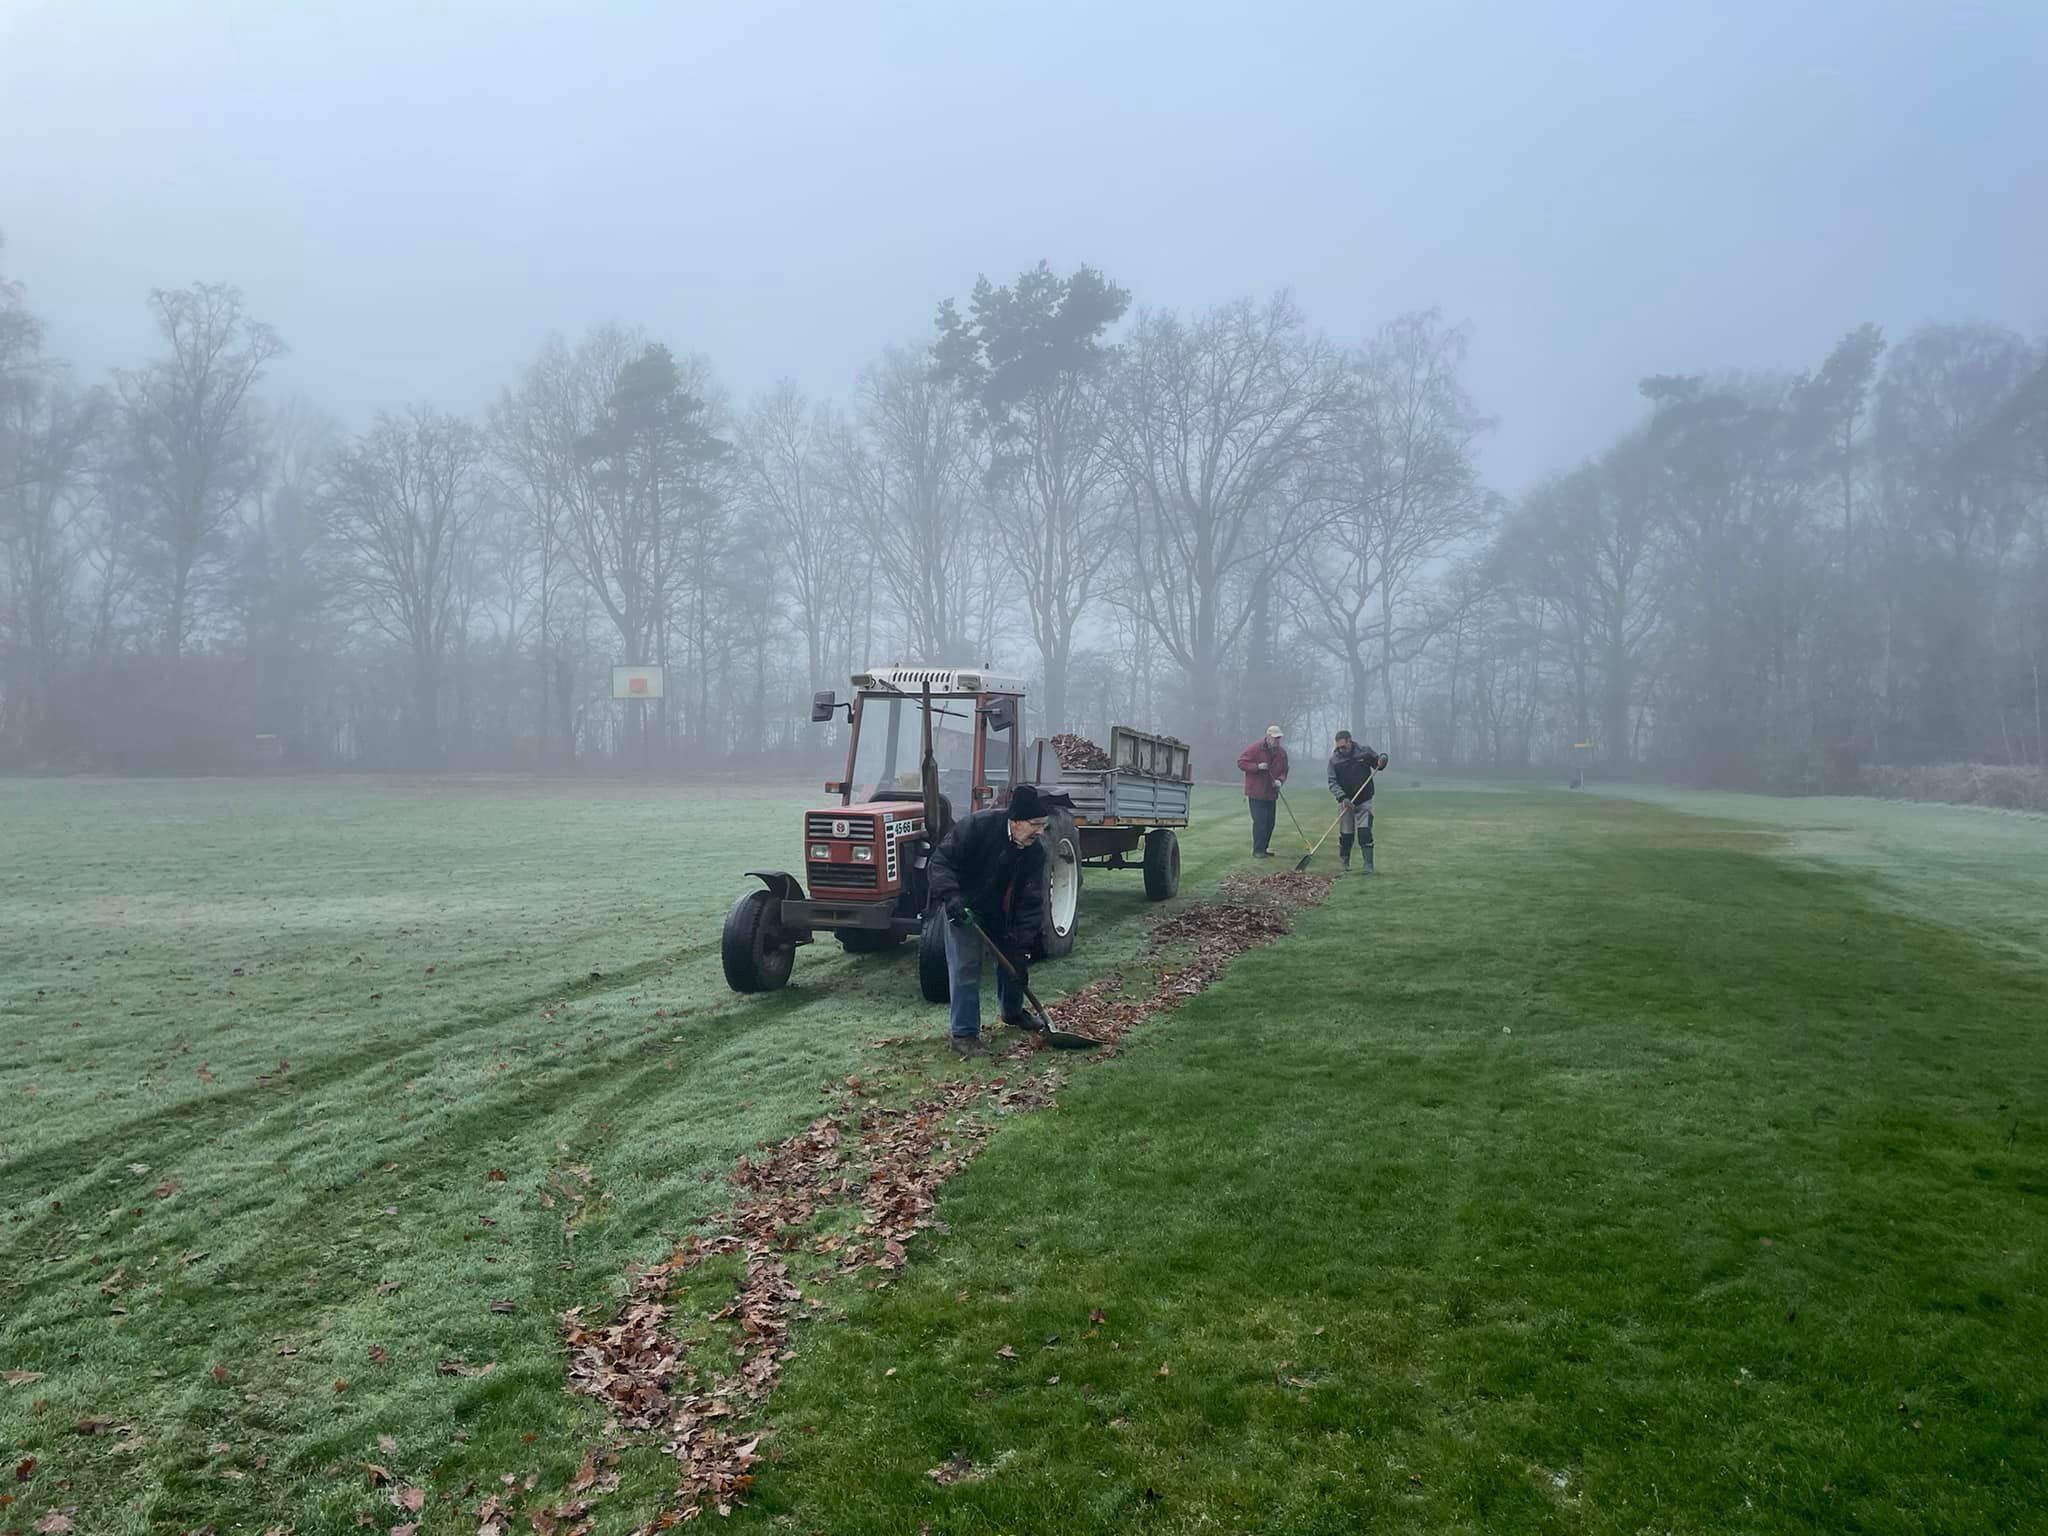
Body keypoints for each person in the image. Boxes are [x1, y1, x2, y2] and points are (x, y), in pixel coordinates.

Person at [925, 782, 1070, 1057]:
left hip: (1002, 911)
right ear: (1015, 821)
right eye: (1036, 824)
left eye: (1043, 825)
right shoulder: (977, 828)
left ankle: (1013, 1014)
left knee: (1013, 964)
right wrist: (952, 898)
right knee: (966, 967)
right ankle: (964, 1034)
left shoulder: (1034, 852)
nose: (1040, 831)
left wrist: (1022, 950)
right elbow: (940, 862)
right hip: (964, 907)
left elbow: (1030, 902)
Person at [1326, 729, 1388, 872]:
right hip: (1345, 802)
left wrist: (1383, 759)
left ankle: (1368, 865)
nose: (1341, 750)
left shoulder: (1364, 752)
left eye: (1344, 746)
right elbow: (1332, 782)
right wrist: (1342, 797)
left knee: (1364, 832)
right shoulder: (1334, 760)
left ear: (1350, 741)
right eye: (1338, 747)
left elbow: (1379, 763)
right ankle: (1345, 863)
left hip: (1364, 799)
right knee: (1346, 835)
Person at [1235, 725, 1290, 858]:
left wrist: (1280, 781)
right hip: (1256, 792)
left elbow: (1284, 770)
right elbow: (1241, 763)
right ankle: (1258, 850)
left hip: (1271, 793)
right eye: (1275, 738)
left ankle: (1264, 849)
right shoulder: (1255, 748)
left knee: (1270, 823)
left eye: (1279, 738)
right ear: (1268, 737)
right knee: (1260, 822)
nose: (1277, 741)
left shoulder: (1282, 753)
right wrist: (1257, 767)